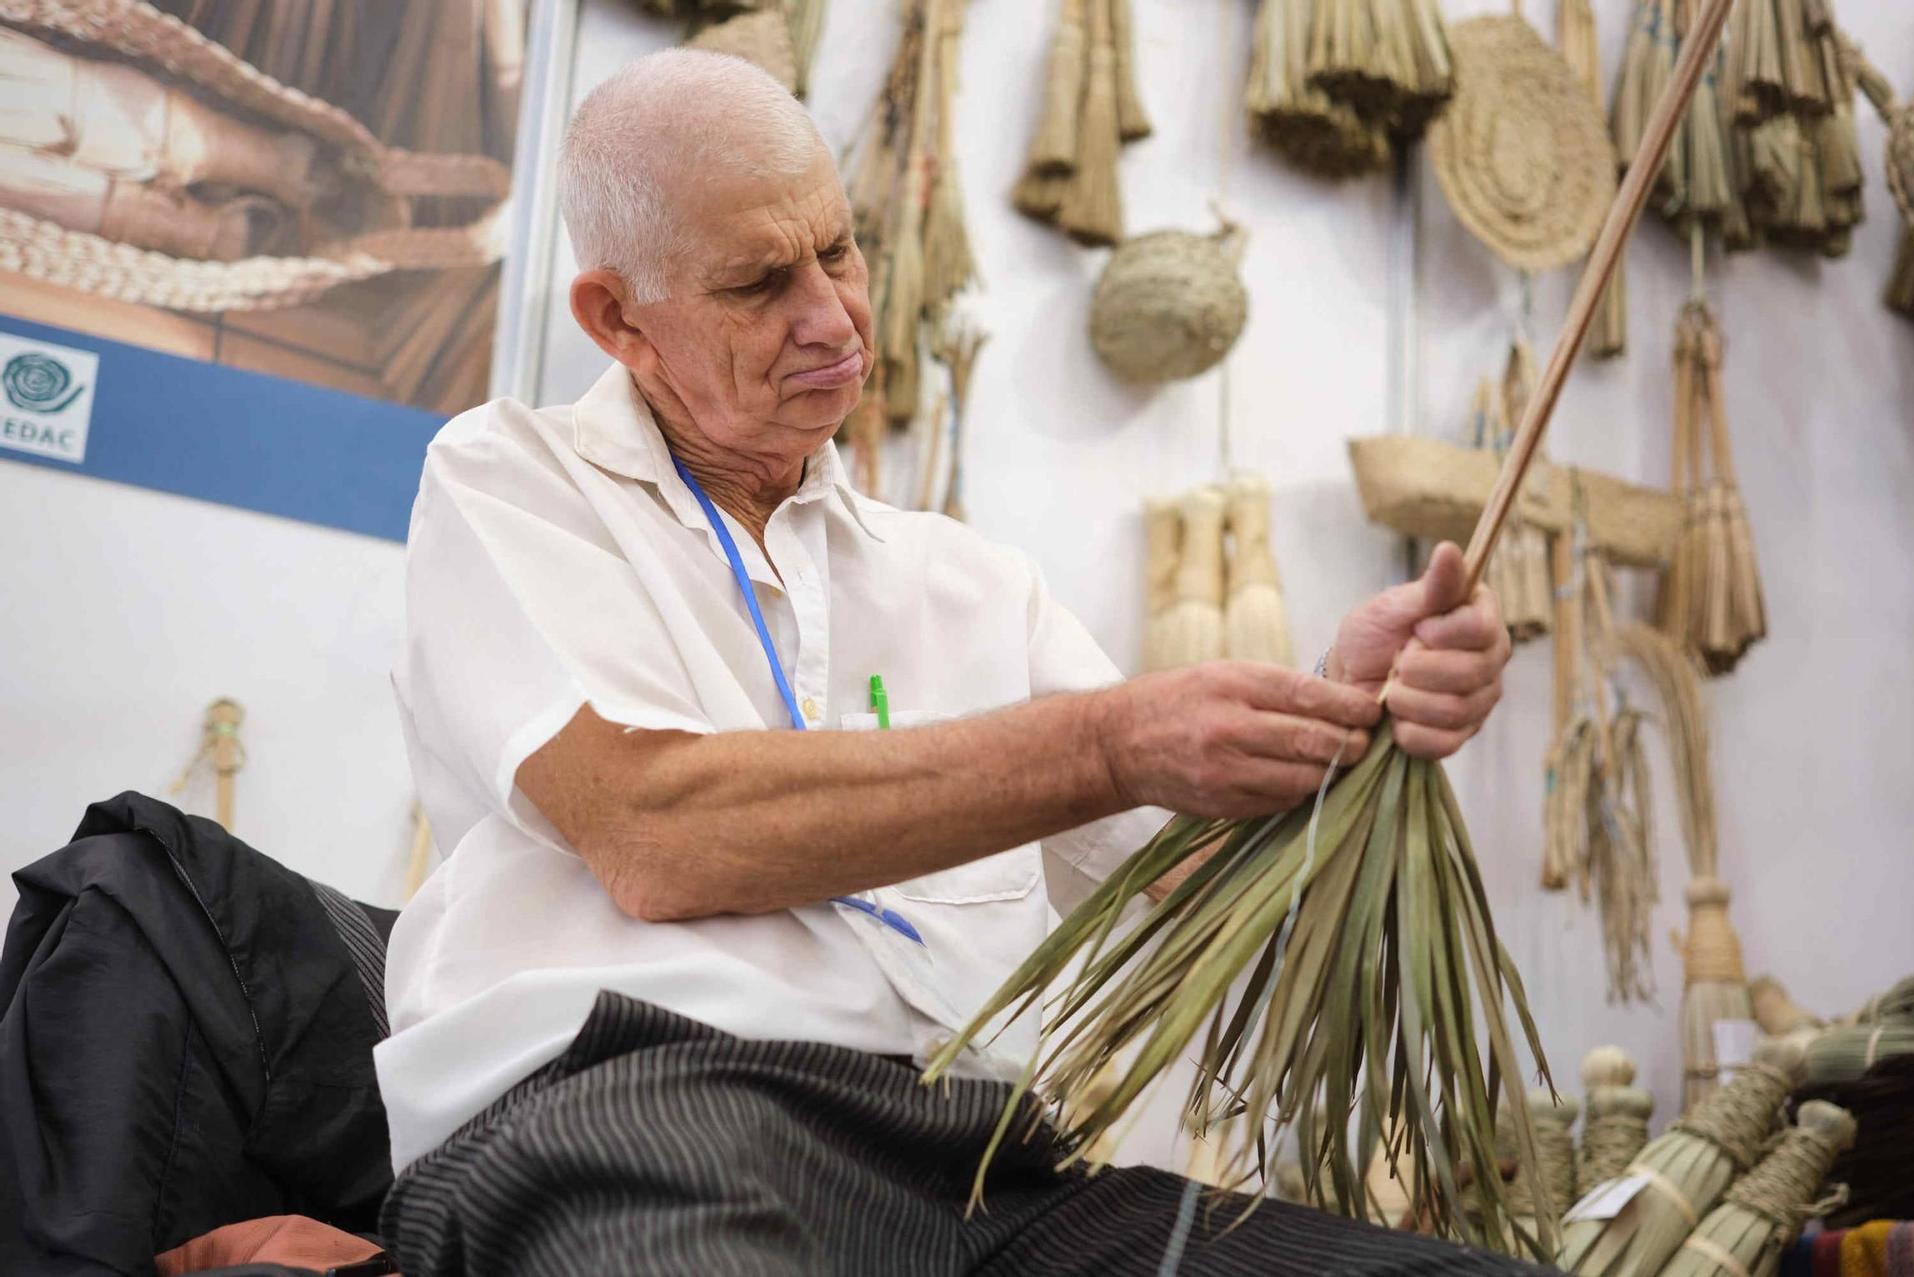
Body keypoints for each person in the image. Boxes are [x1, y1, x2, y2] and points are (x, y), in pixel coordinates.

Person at [376, 48, 1527, 1277]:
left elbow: (1181, 879)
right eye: (761, 282)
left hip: (983, 1160)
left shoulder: (970, 584)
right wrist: (1103, 742)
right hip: (644, 1106)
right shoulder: (510, 481)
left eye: (839, 250)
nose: (832, 316)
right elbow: (658, 832)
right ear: (618, 320)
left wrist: (1341, 721)